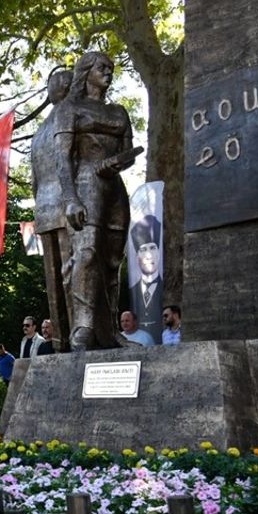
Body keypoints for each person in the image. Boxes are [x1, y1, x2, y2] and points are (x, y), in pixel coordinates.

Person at [56, 51, 140, 350]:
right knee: (87, 253)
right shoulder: (70, 108)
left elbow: (128, 152)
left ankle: (112, 331)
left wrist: (120, 161)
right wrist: (70, 198)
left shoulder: (119, 112)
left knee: (112, 261)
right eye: (102, 67)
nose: (108, 72)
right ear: (86, 71)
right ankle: (84, 326)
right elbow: (63, 159)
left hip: (114, 188)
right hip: (85, 182)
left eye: (111, 68)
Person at [30, 68, 76, 339]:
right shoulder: (71, 119)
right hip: (69, 206)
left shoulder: (39, 133)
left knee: (54, 282)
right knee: (75, 277)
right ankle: (81, 338)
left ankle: (60, 340)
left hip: (44, 209)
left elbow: (35, 182)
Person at [128, 214, 163, 342]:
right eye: (143, 250)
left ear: (159, 252)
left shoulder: (166, 288)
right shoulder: (133, 290)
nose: (149, 255)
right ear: (137, 257)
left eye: (153, 248)